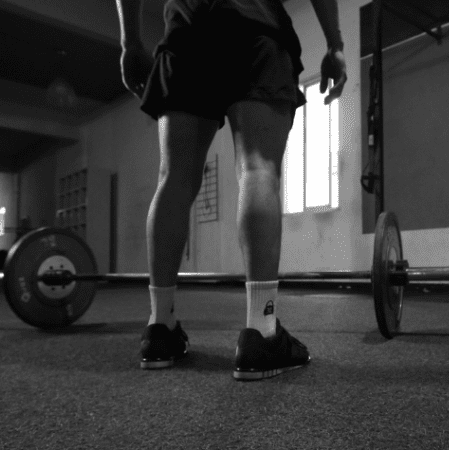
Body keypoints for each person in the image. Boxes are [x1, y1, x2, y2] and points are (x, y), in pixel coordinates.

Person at [116, 0, 347, 379]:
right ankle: (261, 331)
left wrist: (130, 44)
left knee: (173, 179)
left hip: (187, 30)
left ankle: (160, 328)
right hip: (255, 26)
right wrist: (334, 43)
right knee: (258, 168)